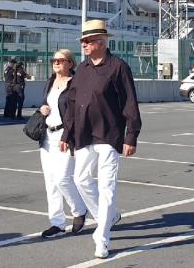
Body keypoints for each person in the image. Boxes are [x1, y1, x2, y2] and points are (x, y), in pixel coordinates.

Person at [60, 20, 142, 259]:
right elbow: (73, 103)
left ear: (101, 42)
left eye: (87, 41)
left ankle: (102, 237)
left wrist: (131, 136)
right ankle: (109, 216)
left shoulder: (118, 67)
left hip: (109, 135)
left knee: (107, 188)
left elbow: (130, 104)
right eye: (83, 41)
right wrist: (67, 133)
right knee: (80, 179)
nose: (83, 45)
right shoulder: (83, 69)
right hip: (84, 134)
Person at [38, 49, 87, 238]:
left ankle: (79, 210)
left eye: (60, 60)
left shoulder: (75, 83)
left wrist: (67, 135)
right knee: (50, 182)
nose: (56, 63)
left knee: (62, 179)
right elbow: (48, 103)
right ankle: (57, 223)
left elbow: (76, 112)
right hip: (47, 135)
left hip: (65, 136)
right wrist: (43, 109)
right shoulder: (51, 81)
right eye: (54, 60)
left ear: (70, 63)